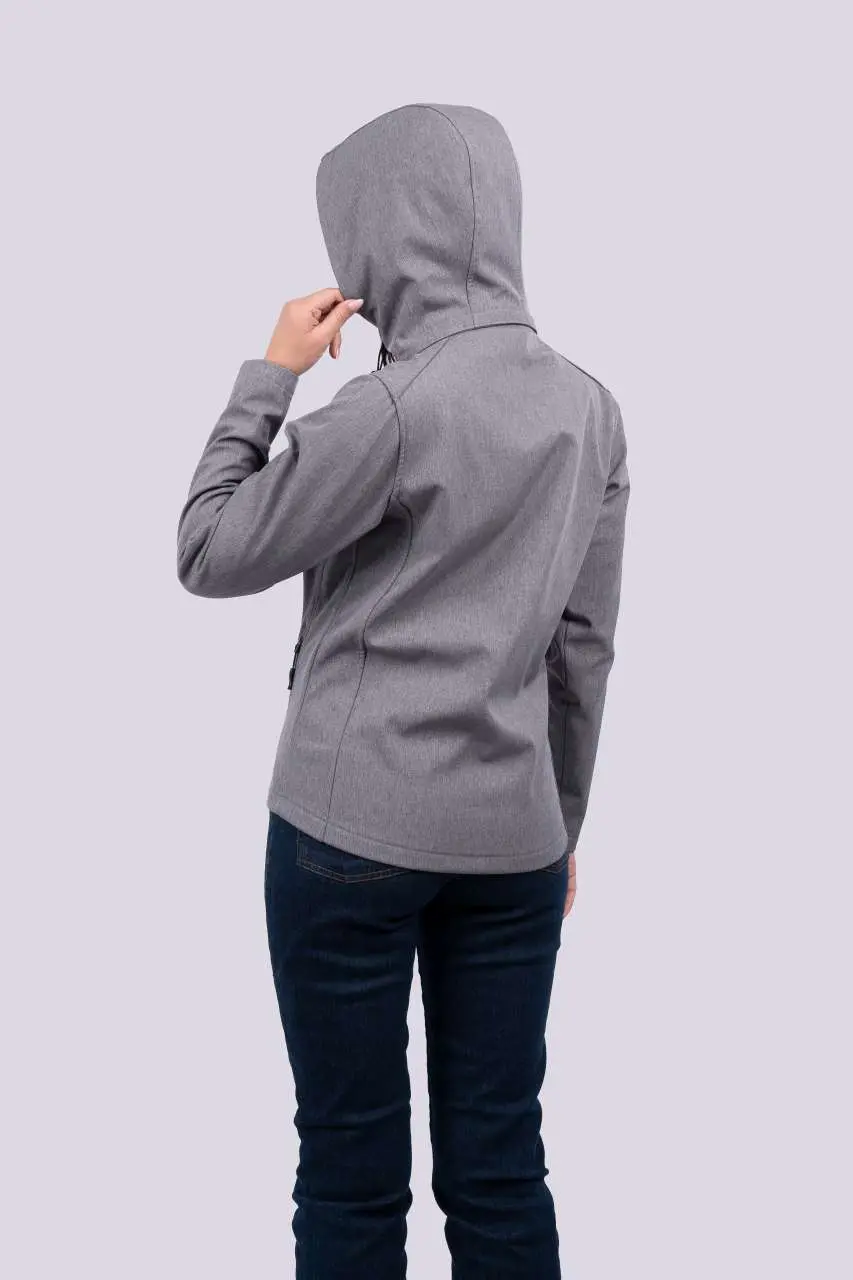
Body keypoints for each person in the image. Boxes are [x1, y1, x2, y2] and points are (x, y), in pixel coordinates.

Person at [177, 102, 629, 1280]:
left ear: (373, 238)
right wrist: (559, 822)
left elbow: (207, 548)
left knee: (348, 1170)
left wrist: (271, 373)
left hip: (346, 833)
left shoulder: (386, 407)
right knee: (501, 1167)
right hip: (515, 842)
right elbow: (582, 647)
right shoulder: (589, 406)